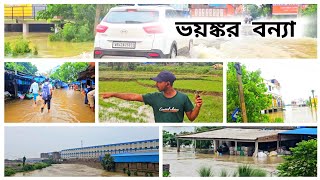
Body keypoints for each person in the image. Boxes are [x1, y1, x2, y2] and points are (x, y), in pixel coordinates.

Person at [101, 71, 202, 123]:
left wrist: (197, 106)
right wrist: (114, 94)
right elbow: (133, 97)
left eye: (159, 82)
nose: (156, 84)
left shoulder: (183, 98)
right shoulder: (154, 97)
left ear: (167, 83)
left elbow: (191, 118)